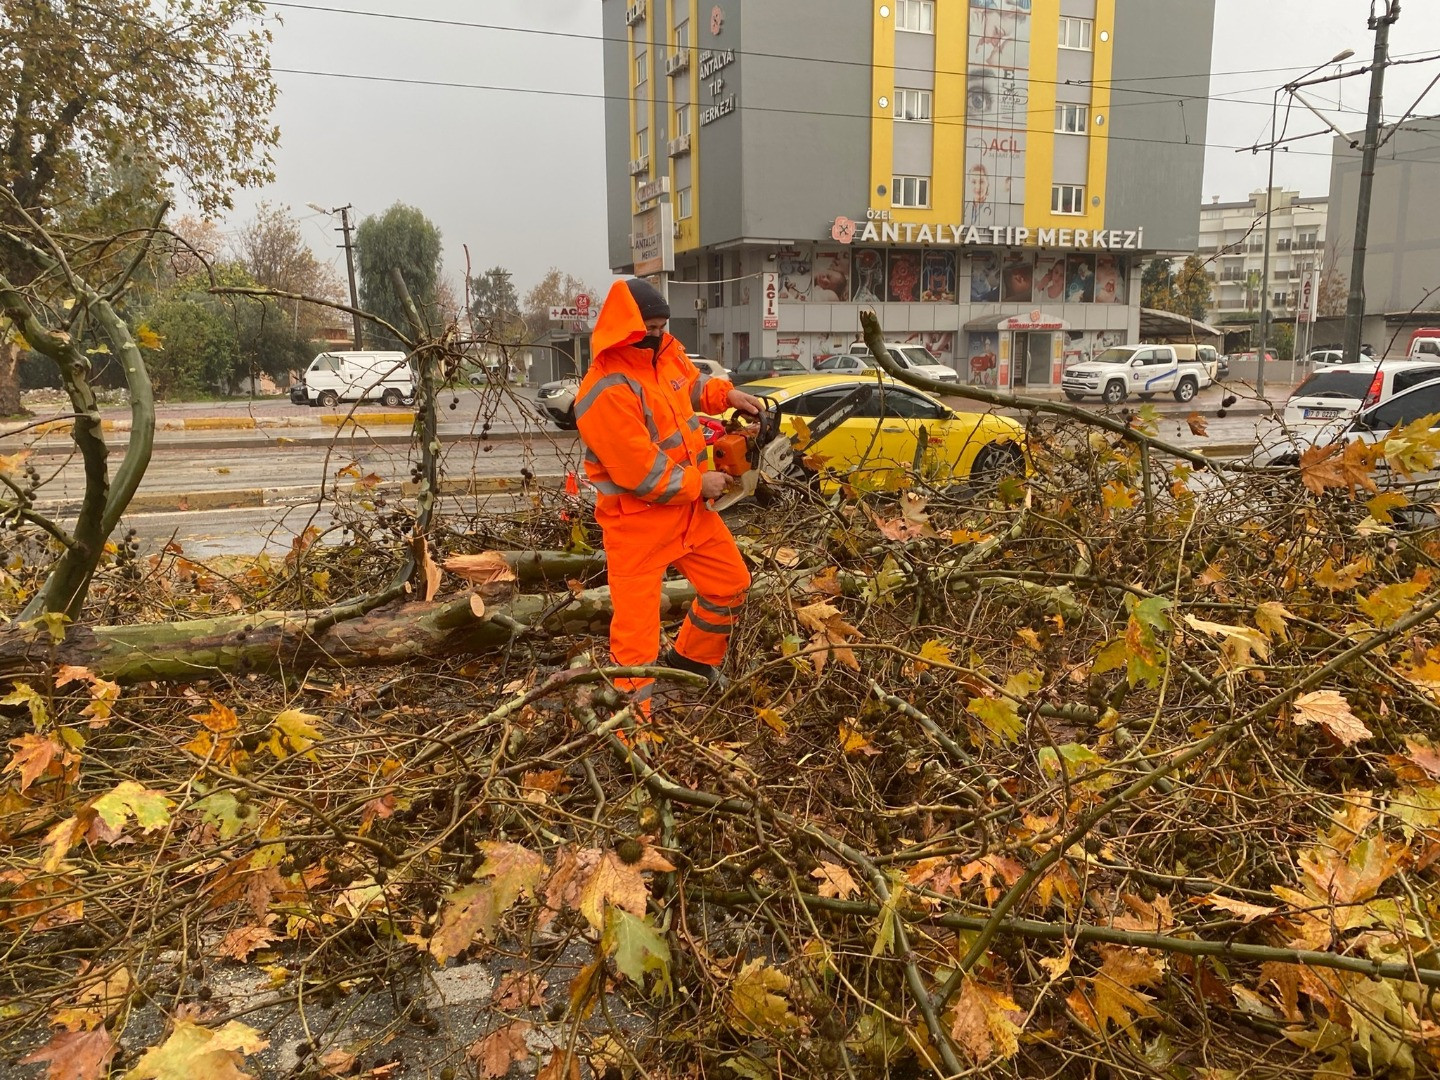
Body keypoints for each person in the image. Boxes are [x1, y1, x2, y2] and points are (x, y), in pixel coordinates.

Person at [575, 278, 763, 714]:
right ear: (627, 329)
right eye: (651, 328)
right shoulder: (605, 388)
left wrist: (727, 395)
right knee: (636, 639)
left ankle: (692, 660)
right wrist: (700, 484)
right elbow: (641, 471)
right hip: (636, 524)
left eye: (662, 326)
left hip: (689, 513)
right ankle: (631, 727)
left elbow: (691, 385)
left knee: (730, 584)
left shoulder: (664, 354)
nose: (659, 334)